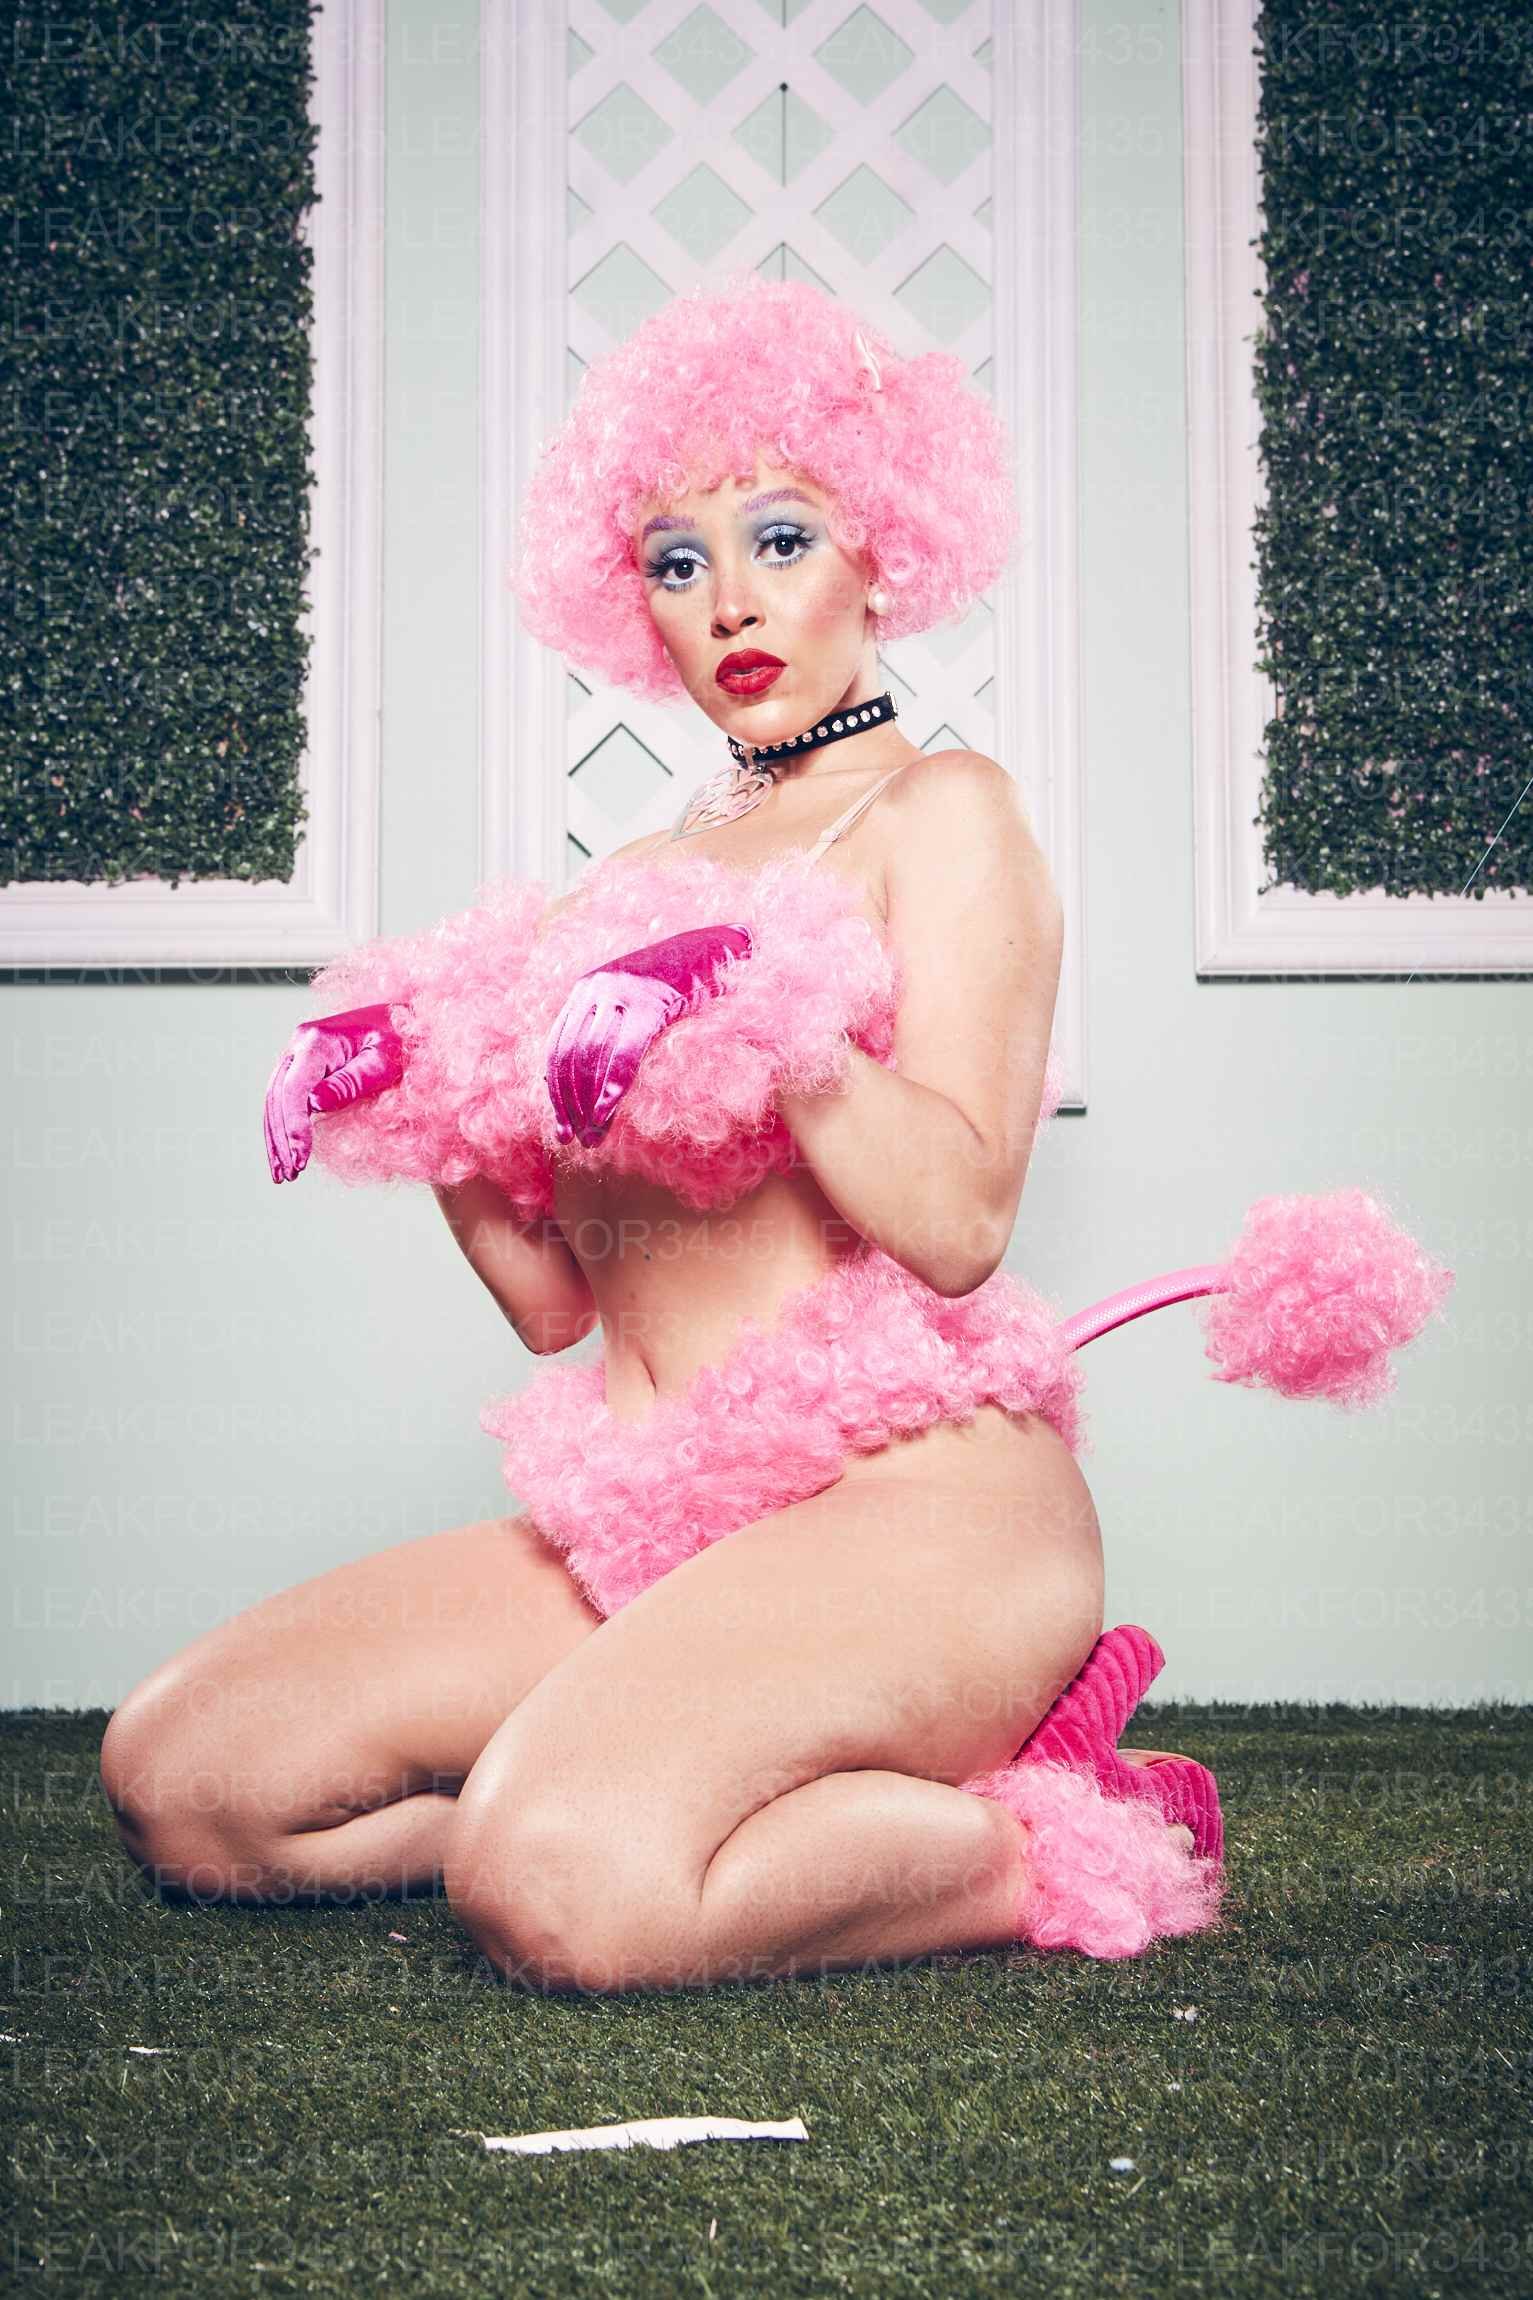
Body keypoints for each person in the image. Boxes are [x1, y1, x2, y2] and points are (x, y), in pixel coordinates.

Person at [100, 276, 1450, 1988]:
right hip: (659, 1520)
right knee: (191, 1782)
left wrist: (773, 1026)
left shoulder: (939, 813)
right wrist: (419, 1099)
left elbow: (957, 1222)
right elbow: (556, 1309)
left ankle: (1049, 1829)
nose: (729, 599)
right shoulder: (619, 887)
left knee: (560, 1897)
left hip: (917, 1517)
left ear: (880, 553)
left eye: (781, 539)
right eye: (676, 562)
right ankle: (635, 1797)